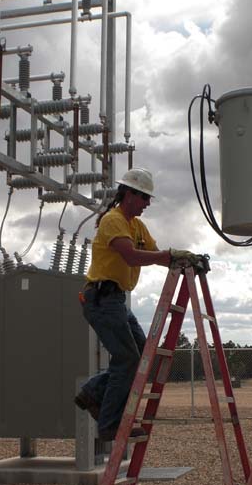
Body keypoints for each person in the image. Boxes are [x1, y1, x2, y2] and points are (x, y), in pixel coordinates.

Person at [74, 168, 201, 442]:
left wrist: (183, 258)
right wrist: (168, 255)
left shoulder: (136, 226)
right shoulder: (113, 220)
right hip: (101, 298)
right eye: (144, 197)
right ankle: (109, 424)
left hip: (115, 299)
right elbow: (132, 257)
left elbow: (156, 255)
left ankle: (93, 392)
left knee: (139, 355)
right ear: (128, 194)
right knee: (127, 359)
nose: (147, 203)